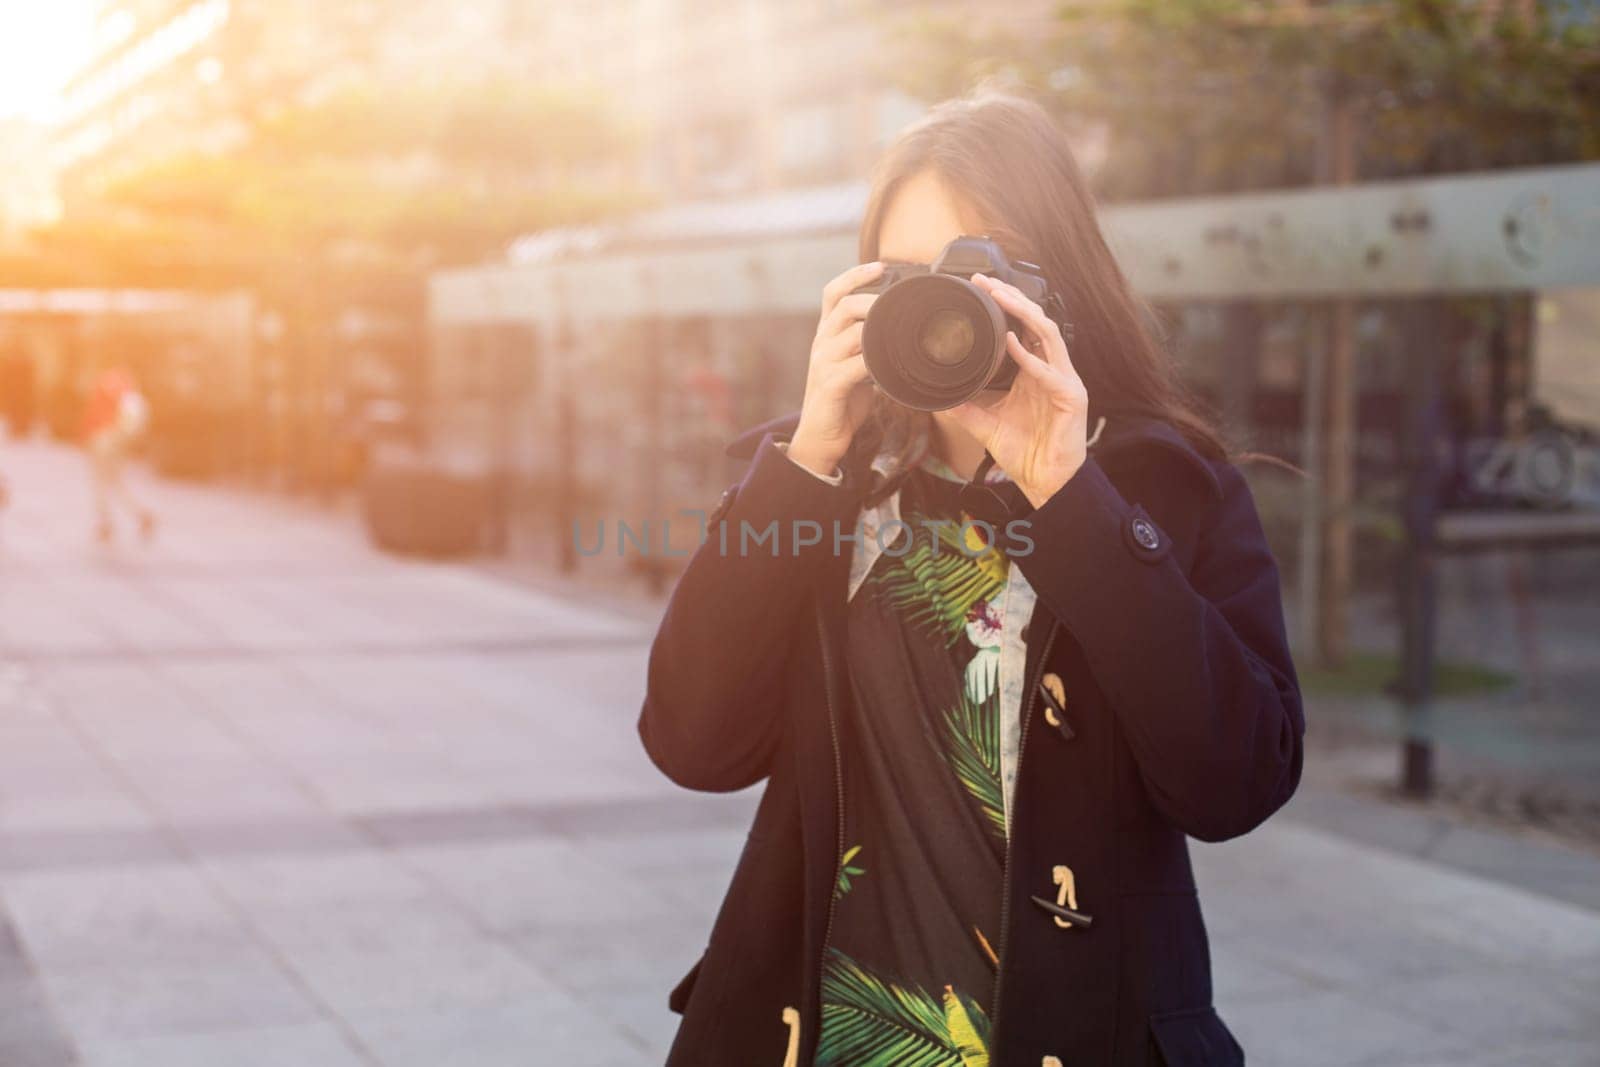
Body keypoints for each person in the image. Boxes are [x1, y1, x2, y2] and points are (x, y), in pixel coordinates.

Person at [639, 89, 1303, 1067]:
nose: (945, 305)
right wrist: (810, 452)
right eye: (906, 274)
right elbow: (691, 741)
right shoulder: (823, 482)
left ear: (1056, 277)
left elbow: (1236, 781)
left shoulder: (1163, 482)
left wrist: (1072, 496)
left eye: (980, 266)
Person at [82, 364, 157, 544]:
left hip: (104, 443)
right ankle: (139, 514)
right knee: (115, 482)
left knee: (102, 482)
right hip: (115, 444)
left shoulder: (115, 390)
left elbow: (96, 415)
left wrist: (98, 437)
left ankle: (106, 521)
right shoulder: (131, 394)